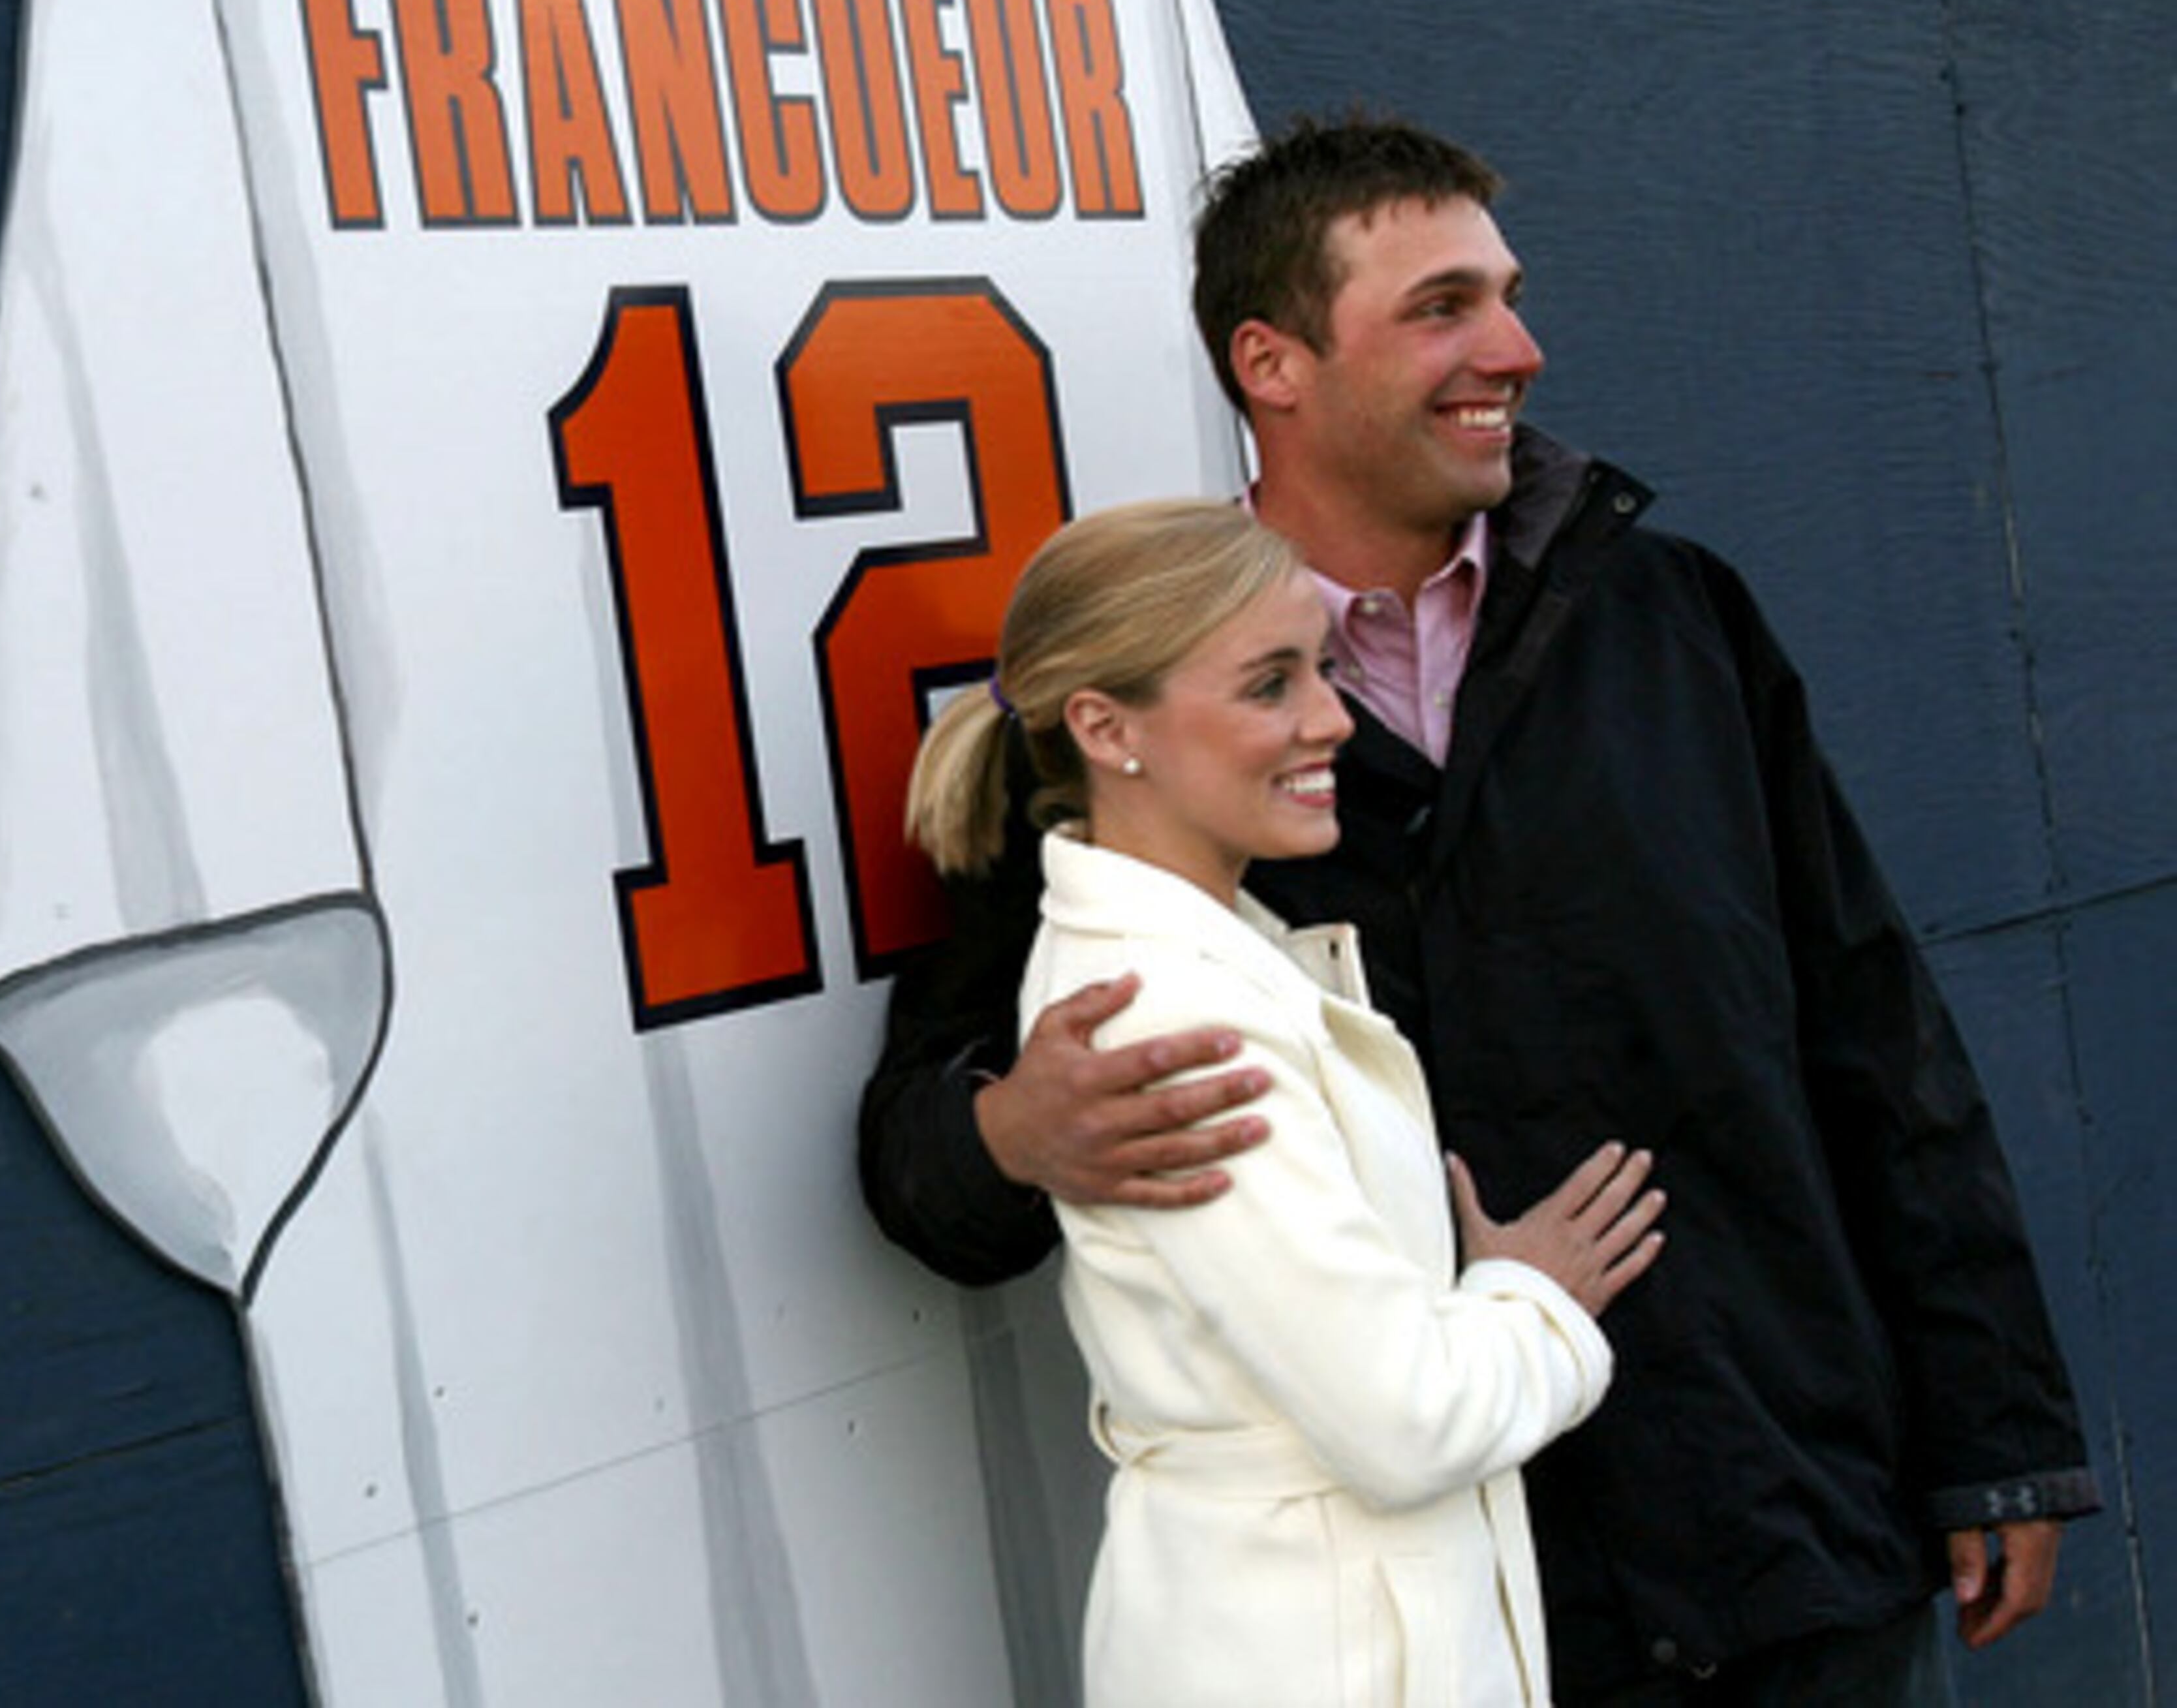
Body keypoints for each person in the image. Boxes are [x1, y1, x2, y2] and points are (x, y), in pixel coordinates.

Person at [860, 113, 2100, 1703]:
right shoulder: (1144, 723)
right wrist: (1005, 1140)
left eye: (1505, 295)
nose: (1514, 347)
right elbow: (916, 1145)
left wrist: (1996, 1436)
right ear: (1272, 362)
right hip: (1469, 1612)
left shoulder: (1672, 619)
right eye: (1443, 306)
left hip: (1789, 1543)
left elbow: (1873, 1027)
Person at [904, 496, 1667, 1706]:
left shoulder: (1212, 953)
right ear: (1107, 727)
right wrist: (1538, 1297)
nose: (1333, 720)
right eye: (1271, 683)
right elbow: (1406, 1418)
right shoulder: (1165, 1015)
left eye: (1321, 667)